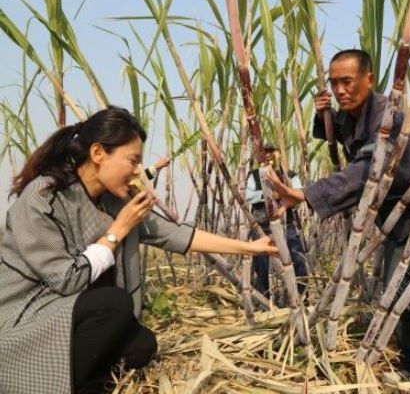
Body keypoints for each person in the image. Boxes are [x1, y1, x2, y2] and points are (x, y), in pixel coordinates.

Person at [0, 106, 277, 394]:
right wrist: (118, 230)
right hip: (24, 316)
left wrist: (251, 248)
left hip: (72, 311)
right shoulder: (42, 199)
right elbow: (66, 280)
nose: (137, 171)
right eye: (133, 160)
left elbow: (176, 234)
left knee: (142, 346)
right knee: (114, 304)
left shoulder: (113, 201)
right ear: (98, 153)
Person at [267, 49, 410, 382]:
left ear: (369, 80)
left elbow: (370, 167)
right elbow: (332, 133)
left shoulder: (389, 117)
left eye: (347, 82)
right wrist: (321, 116)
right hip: (397, 217)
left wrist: (306, 195)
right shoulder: (349, 115)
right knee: (398, 293)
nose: (340, 90)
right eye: (334, 83)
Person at [245, 143, 308, 298]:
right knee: (261, 265)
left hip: (287, 225)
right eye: (264, 151)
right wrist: (268, 194)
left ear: (279, 153)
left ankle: (302, 298)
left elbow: (299, 194)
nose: (267, 154)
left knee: (298, 260)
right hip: (262, 226)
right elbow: (248, 196)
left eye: (271, 151)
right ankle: (263, 302)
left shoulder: (290, 175)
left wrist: (283, 193)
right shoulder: (253, 175)